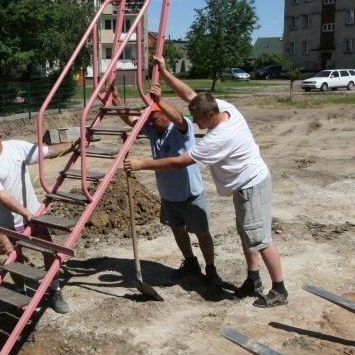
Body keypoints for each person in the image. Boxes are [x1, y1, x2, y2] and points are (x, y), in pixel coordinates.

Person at [124, 56, 288, 308]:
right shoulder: (225, 108)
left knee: (260, 239)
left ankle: (279, 289)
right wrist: (165, 74)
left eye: (198, 119)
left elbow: (180, 162)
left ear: (210, 115)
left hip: (251, 185)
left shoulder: (219, 138)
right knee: (246, 234)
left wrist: (142, 164)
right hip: (245, 185)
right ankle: (253, 278)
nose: (196, 124)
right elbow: (190, 94)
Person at [109, 82, 221, 287]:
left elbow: (178, 117)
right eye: (149, 120)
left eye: (153, 119)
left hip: (190, 194)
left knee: (201, 233)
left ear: (164, 115)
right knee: (177, 230)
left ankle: (211, 269)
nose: (150, 124)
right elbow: (132, 120)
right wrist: (114, 100)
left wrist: (159, 100)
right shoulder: (153, 130)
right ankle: (190, 262)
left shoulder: (181, 129)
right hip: (168, 195)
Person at [0, 120, 76, 314]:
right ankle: (21, 291)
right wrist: (25, 213)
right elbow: (2, 196)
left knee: (49, 252)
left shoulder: (17, 148)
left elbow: (47, 152)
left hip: (32, 214)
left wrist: (73, 146)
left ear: (0, 137)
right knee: (15, 259)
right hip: (7, 222)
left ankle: (55, 291)